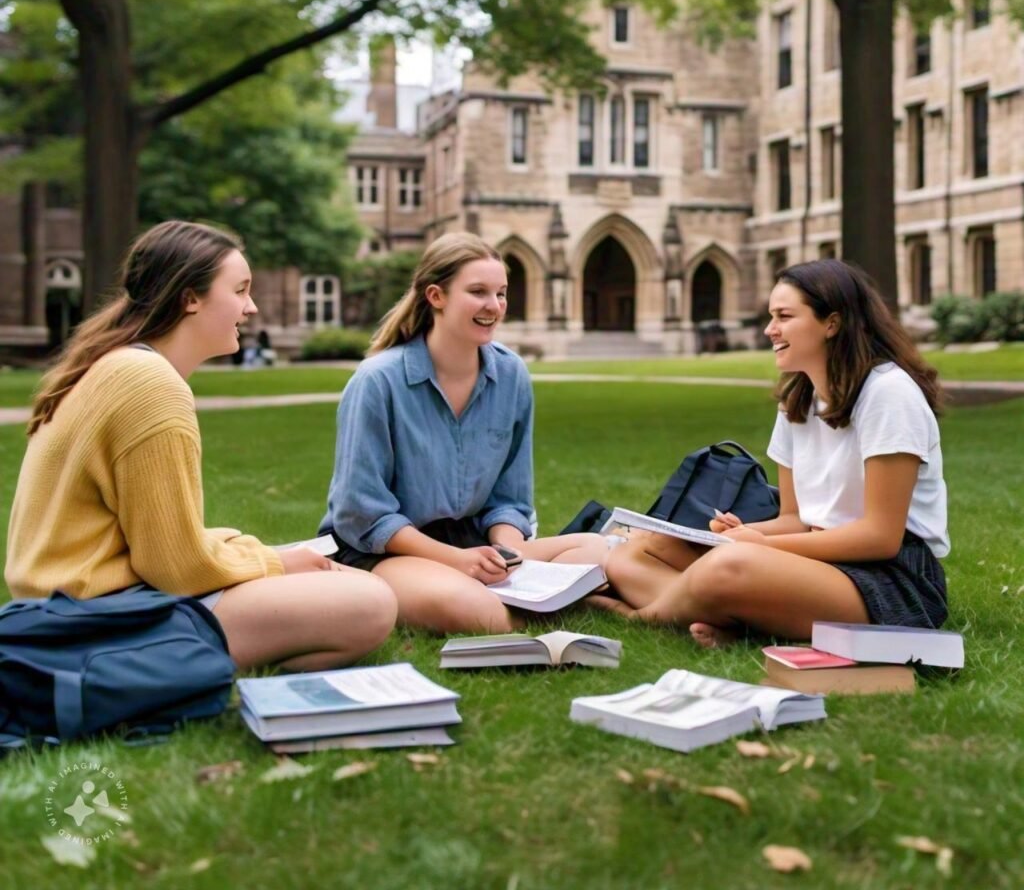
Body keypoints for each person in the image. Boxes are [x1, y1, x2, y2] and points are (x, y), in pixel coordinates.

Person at [5, 220, 397, 670]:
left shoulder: (117, 363)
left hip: (62, 604)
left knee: (322, 570)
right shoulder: (150, 384)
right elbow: (176, 568)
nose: (250, 308)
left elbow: (152, 543)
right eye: (240, 290)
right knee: (370, 603)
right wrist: (272, 564)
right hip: (96, 620)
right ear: (190, 298)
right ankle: (175, 671)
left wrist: (256, 553)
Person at [595, 258, 950, 648]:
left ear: (832, 323)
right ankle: (734, 618)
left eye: (784, 316)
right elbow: (796, 519)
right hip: (816, 560)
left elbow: (881, 537)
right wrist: (743, 533)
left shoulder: (888, 393)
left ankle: (642, 616)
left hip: (890, 578)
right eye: (771, 316)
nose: (770, 330)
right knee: (640, 550)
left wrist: (760, 547)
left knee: (730, 565)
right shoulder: (798, 399)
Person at [318, 233, 609, 634]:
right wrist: (457, 561)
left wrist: (508, 549)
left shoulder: (511, 375)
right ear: (436, 296)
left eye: (502, 293)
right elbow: (361, 513)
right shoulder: (377, 381)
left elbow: (510, 497)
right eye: (478, 292)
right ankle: (543, 605)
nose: (495, 307)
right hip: (386, 551)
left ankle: (540, 596)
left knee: (597, 550)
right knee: (474, 611)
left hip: (475, 544)